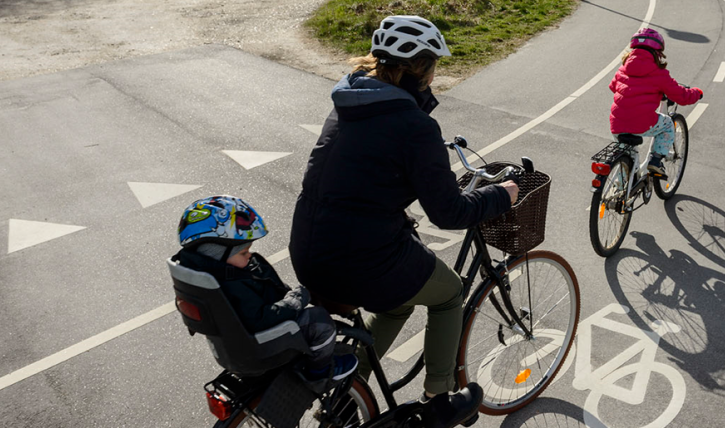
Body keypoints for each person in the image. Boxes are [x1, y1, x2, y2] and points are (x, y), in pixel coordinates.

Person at [289, 15, 518, 428]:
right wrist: (501, 194)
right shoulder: (415, 126)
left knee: (398, 299)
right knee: (448, 293)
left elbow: (359, 177)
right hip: (358, 260)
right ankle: (438, 401)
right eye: (434, 69)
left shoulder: (348, 105)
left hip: (308, 251)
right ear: (422, 70)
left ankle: (346, 385)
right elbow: (449, 212)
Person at [174, 195, 357, 389]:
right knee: (320, 322)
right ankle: (319, 373)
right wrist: (295, 301)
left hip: (233, 349)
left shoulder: (204, 277)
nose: (250, 255)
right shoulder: (232, 284)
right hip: (261, 347)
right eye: (243, 252)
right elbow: (261, 318)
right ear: (217, 255)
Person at [609, 28, 704, 177]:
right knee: (667, 125)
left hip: (617, 123)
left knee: (627, 158)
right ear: (657, 53)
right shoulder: (659, 74)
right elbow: (681, 96)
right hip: (642, 123)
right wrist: (696, 93)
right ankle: (656, 160)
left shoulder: (622, 69)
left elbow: (613, 87)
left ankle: (619, 192)